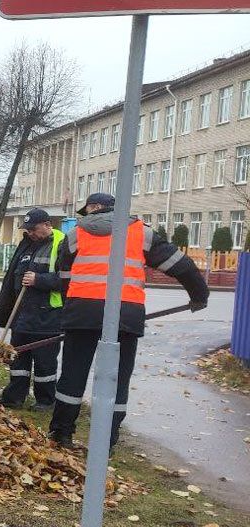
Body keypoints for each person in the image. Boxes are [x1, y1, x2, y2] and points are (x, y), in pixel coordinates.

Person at [49, 192, 209, 450]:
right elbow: (182, 265)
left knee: (72, 374)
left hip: (82, 313)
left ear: (95, 207)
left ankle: (61, 433)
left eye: (86, 209)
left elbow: (65, 279)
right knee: (118, 378)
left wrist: (73, 309)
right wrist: (199, 295)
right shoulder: (141, 233)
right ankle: (107, 441)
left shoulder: (75, 235)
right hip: (125, 314)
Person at [0, 208, 66, 410]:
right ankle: (14, 397)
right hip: (22, 315)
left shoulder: (62, 244)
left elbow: (69, 278)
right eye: (27, 229)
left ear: (48, 225)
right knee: (18, 359)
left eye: (34, 229)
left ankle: (46, 400)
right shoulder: (27, 245)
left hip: (47, 316)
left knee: (44, 363)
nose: (30, 232)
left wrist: (39, 279)